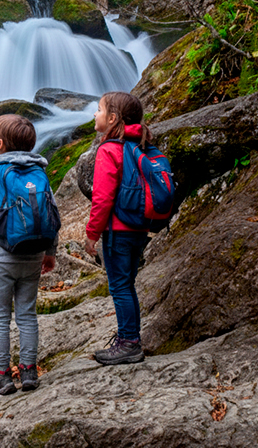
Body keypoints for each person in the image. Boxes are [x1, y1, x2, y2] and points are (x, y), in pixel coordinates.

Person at [0, 114, 57, 395]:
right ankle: (29, 371)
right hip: (33, 255)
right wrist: (50, 252)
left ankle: (3, 376)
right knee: (27, 315)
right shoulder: (39, 172)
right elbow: (50, 215)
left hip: (1, 258)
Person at [84, 91, 152, 366]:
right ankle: (130, 338)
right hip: (139, 228)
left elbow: (102, 198)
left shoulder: (109, 150)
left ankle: (128, 343)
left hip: (118, 231)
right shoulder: (140, 145)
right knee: (128, 285)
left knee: (120, 287)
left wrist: (92, 234)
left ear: (112, 118)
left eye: (98, 110)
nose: (94, 114)